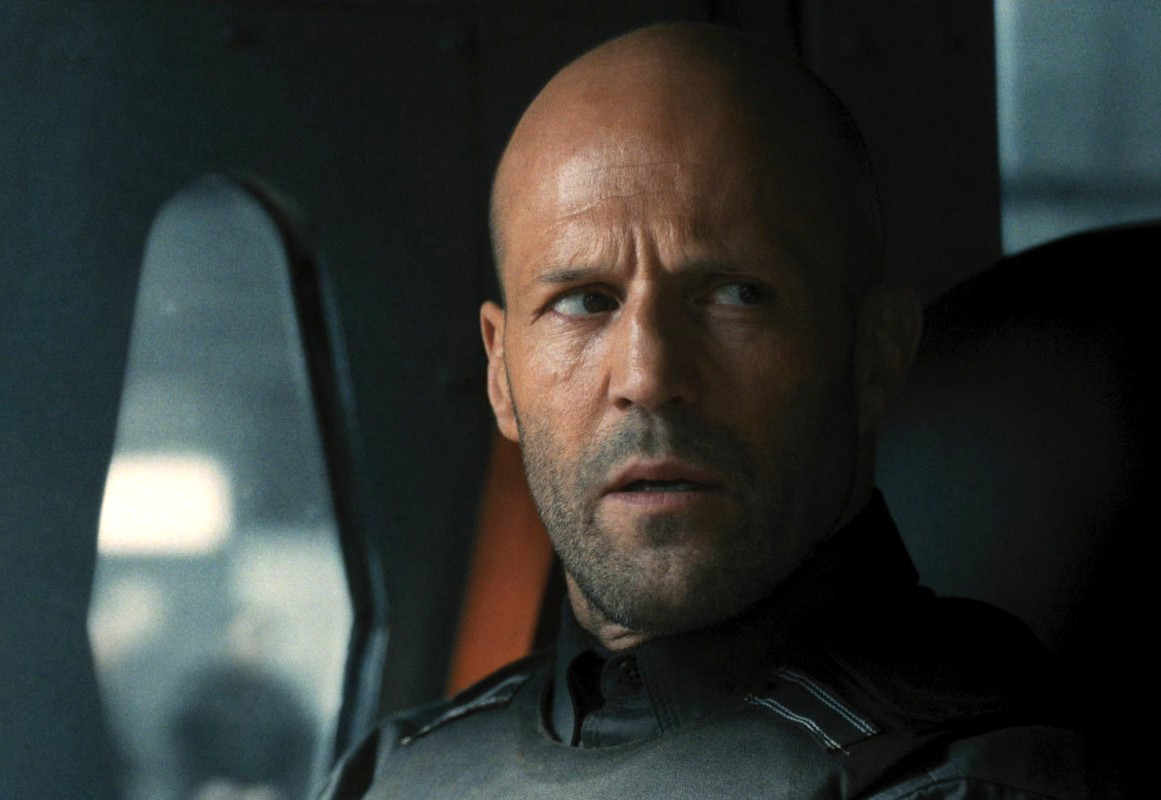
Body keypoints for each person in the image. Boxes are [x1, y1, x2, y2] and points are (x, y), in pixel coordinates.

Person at [319, 22, 1118, 799]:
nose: (647, 376)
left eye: (735, 294)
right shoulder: (392, 770)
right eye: (585, 301)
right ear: (500, 375)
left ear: (873, 355)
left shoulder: (961, 780)